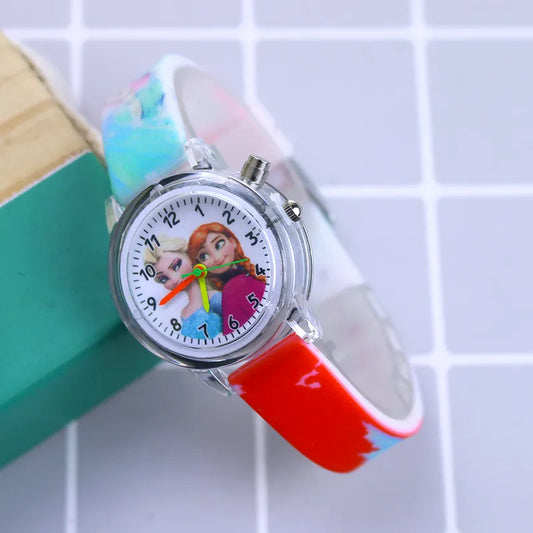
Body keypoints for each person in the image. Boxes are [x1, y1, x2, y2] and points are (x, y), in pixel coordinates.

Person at [188, 223, 266, 335]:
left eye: (219, 244)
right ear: (200, 266)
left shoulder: (232, 287)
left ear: (232, 242)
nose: (216, 258)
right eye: (204, 256)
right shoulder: (232, 287)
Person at [143, 235, 222, 340]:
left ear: (189, 256)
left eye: (176, 266)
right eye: (164, 279)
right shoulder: (184, 314)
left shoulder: (215, 299)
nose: (175, 279)